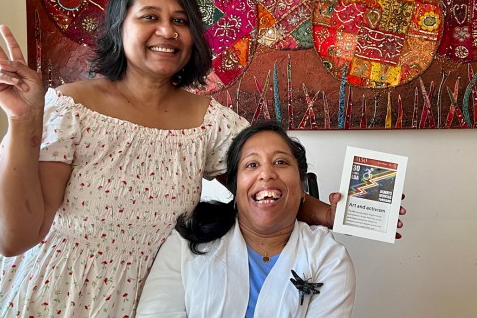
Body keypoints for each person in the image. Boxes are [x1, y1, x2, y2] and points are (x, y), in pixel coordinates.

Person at [0, 0, 349, 316]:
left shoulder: (209, 123)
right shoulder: (72, 108)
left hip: (147, 299)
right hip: (50, 295)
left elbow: (267, 184)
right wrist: (23, 121)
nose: (167, 31)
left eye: (180, 20)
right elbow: (13, 237)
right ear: (119, 27)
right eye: (150, 16)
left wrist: (334, 214)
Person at [136, 121, 356, 317]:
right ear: (235, 187)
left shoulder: (329, 258)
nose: (266, 174)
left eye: (281, 162)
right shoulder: (188, 240)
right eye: (252, 165)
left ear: (301, 186)